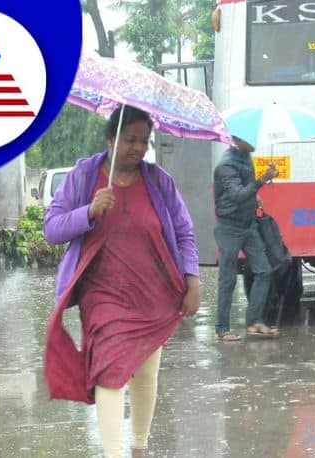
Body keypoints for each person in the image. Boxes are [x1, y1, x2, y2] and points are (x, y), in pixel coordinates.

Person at [43, 105, 200, 458]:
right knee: (109, 372)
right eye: (130, 140)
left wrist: (192, 280)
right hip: (103, 295)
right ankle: (114, 453)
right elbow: (52, 228)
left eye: (144, 141)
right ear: (110, 138)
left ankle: (139, 447)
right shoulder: (84, 176)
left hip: (153, 292)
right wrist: (89, 211)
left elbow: (184, 232)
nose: (138, 148)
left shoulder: (159, 181)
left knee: (146, 373)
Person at [213, 135, 279, 341]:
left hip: (248, 224)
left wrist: (256, 194)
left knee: (264, 270)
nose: (254, 144)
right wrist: (262, 180)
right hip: (229, 227)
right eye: (249, 140)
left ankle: (254, 322)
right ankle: (222, 329)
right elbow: (237, 195)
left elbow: (246, 188)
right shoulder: (226, 165)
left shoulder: (245, 156)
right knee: (228, 279)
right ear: (236, 140)